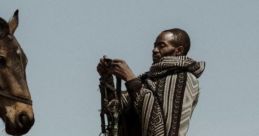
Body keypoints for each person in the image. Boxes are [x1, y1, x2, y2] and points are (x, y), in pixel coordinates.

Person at [97, 28, 205, 136]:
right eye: (155, 45)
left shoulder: (184, 78)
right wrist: (107, 79)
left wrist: (130, 79)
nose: (155, 50)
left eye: (161, 45)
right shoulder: (147, 79)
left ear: (179, 50)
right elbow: (118, 111)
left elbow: (162, 127)